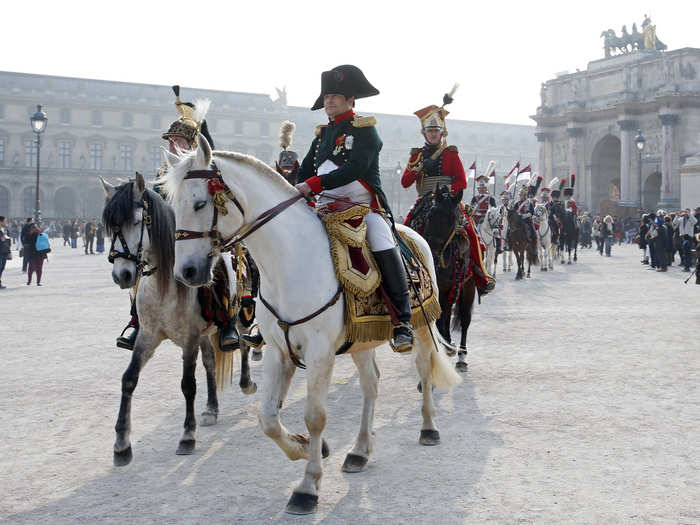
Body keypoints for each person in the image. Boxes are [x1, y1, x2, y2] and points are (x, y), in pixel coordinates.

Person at [294, 64, 413, 351]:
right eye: (327, 96)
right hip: (323, 207)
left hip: (361, 208)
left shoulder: (366, 130)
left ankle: (402, 321)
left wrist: (313, 185)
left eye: (337, 95)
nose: (330, 101)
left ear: (351, 100)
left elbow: (355, 169)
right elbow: (306, 169)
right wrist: (301, 189)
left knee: (381, 240)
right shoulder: (322, 135)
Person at [115, 85, 237, 351]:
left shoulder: (201, 171)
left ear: (191, 143)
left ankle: (227, 321)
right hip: (168, 239)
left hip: (199, 236)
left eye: (177, 140)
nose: (172, 144)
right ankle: (136, 320)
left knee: (224, 267)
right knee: (139, 267)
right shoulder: (164, 171)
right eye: (170, 140)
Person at [400, 89, 495, 296]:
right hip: (424, 201)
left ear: (442, 132)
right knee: (403, 231)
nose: (433, 134)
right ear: (423, 133)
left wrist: (447, 191)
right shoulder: (417, 155)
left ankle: (481, 275)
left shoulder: (450, 153)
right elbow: (405, 182)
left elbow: (461, 181)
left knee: (471, 233)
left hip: (448, 202)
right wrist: (421, 165)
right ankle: (401, 275)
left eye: (436, 131)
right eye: (429, 131)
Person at [470, 163, 497, 227]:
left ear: (486, 188)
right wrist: (473, 210)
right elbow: (471, 208)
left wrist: (490, 213)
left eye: (483, 188)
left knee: (495, 228)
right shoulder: (475, 198)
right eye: (480, 188)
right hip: (475, 219)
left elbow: (494, 209)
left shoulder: (490, 198)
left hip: (486, 219)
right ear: (478, 189)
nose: (481, 190)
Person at [0, 216, 11, 289]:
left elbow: (7, 241)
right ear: (0, 222)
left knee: (2, 268)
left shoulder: (5, 230)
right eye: (4, 221)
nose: (5, 223)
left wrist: (9, 251)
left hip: (4, 251)